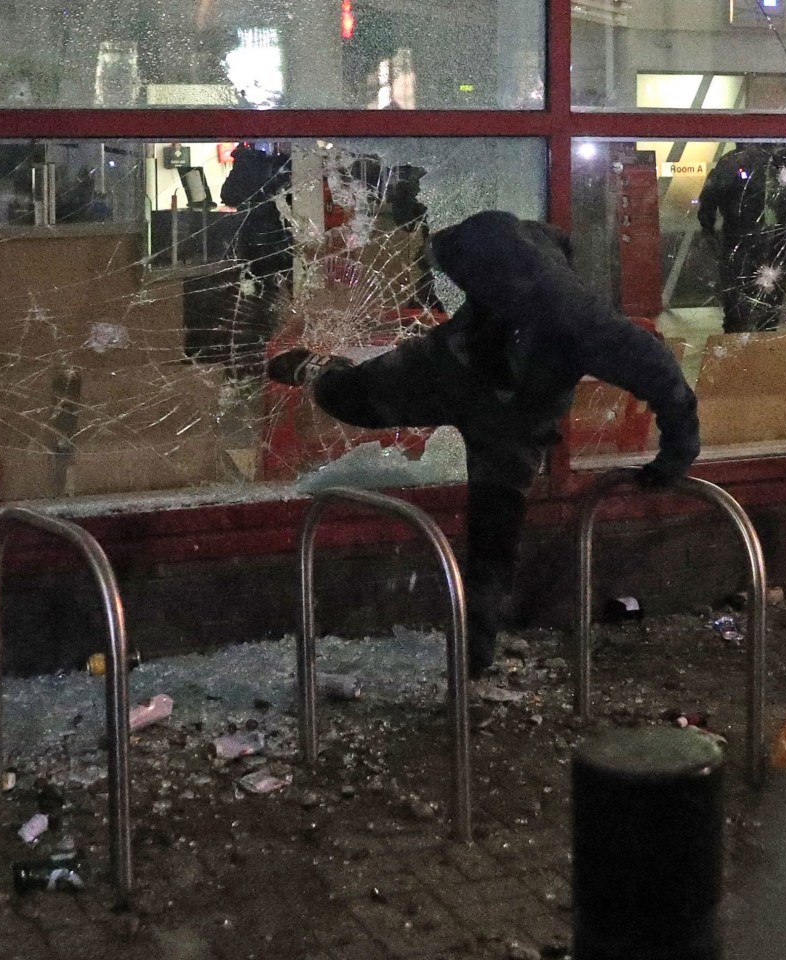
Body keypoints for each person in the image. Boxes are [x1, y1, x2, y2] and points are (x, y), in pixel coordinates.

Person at [267, 210, 701, 678]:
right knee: (350, 398)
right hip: (449, 372)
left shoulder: (579, 321)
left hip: (514, 421)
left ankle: (474, 656)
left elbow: (661, 373)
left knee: (495, 540)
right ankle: (321, 371)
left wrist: (677, 454)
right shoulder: (495, 270)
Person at [697, 142, 783, 333]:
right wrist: (707, 226)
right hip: (742, 236)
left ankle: (757, 337)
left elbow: (710, 195)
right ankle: (744, 338)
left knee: (760, 294)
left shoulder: (773, 161)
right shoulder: (737, 162)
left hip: (764, 237)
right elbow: (712, 194)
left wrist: (708, 226)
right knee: (744, 294)